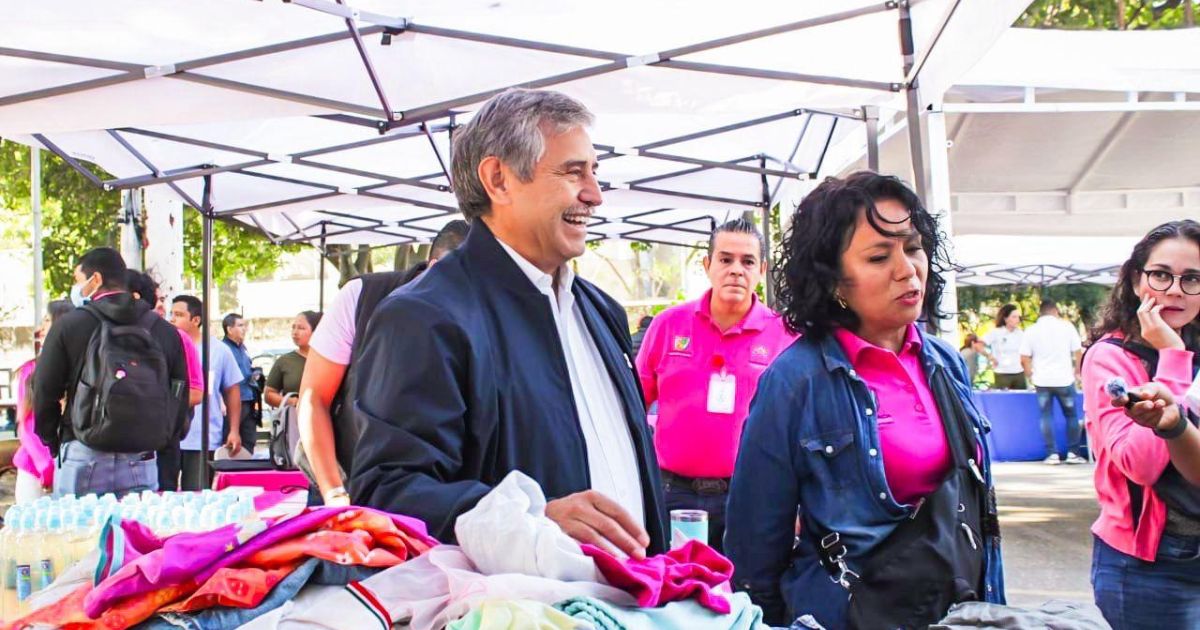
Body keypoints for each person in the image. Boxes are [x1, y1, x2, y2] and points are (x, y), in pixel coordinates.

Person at [350, 88, 668, 556]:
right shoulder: (423, 318)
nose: (595, 195)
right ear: (498, 179)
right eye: (572, 171)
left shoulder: (600, 310)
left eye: (594, 171)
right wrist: (531, 521)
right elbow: (387, 494)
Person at [725, 172, 1004, 629]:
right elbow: (756, 539)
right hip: (852, 614)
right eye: (879, 256)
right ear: (834, 279)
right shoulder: (796, 380)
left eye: (913, 247)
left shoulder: (946, 363)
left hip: (958, 612)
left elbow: (976, 518)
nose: (907, 269)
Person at [635, 218, 796, 552]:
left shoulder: (784, 336)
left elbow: (797, 426)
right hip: (671, 494)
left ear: (761, 269)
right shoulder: (668, 325)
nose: (736, 270)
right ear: (707, 265)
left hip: (749, 494)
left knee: (742, 592)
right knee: (674, 591)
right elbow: (631, 406)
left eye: (747, 261)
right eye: (725, 259)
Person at [1079, 219, 1200, 629]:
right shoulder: (1109, 358)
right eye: (1161, 275)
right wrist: (1172, 355)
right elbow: (1140, 465)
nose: (1174, 291)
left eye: (1192, 279)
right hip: (1150, 566)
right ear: (1135, 280)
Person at [298, 220, 470, 505]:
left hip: (441, 497)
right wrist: (334, 492)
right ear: (435, 267)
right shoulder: (362, 296)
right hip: (347, 483)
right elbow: (313, 397)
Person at [34, 248, 191, 497]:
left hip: (82, 450)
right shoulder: (164, 331)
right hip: (143, 457)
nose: (78, 288)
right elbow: (180, 392)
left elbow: (43, 390)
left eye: (78, 280)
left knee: (79, 535)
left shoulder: (70, 325)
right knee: (135, 534)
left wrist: (53, 441)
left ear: (95, 279)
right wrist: (163, 437)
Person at [127, 270, 203, 491]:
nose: (161, 307)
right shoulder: (104, 331)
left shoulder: (177, 337)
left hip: (161, 443)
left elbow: (195, 392)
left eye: (162, 300)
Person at [170, 294, 243, 491]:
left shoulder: (218, 351)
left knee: (197, 494)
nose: (172, 319)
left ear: (196, 320)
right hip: (168, 436)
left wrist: (234, 430)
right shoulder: (166, 346)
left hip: (203, 438)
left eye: (178, 314)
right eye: (171, 314)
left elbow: (232, 391)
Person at [12, 300, 73, 503]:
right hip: (35, 468)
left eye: (47, 320)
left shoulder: (80, 368)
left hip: (71, 466)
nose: (41, 328)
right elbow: (26, 424)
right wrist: (45, 466)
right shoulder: (30, 370)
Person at [1021, 300, 1086, 464]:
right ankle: (1073, 452)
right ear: (1055, 311)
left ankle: (1052, 454)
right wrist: (1078, 370)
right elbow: (1078, 351)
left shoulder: (1031, 330)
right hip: (1064, 378)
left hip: (1042, 379)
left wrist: (1030, 374)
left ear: (1041, 312)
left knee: (1046, 416)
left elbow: (1024, 357)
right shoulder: (1066, 327)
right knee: (1071, 415)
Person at [265, 311, 322, 409]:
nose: (295, 332)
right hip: (294, 419)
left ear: (315, 331)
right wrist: (290, 401)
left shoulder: (329, 360)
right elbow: (269, 394)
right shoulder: (284, 361)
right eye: (293, 327)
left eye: (301, 328)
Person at [222, 313, 260, 454]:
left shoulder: (243, 348)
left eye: (245, 325)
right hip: (232, 402)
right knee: (229, 441)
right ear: (229, 329)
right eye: (240, 325)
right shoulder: (224, 349)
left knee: (248, 441)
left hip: (248, 400)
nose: (244, 329)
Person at [984, 304, 1025, 389]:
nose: (1017, 320)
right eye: (1014, 317)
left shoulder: (1021, 334)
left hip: (1019, 373)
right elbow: (978, 344)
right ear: (1005, 319)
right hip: (1002, 373)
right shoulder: (996, 333)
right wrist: (989, 356)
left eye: (1018, 317)